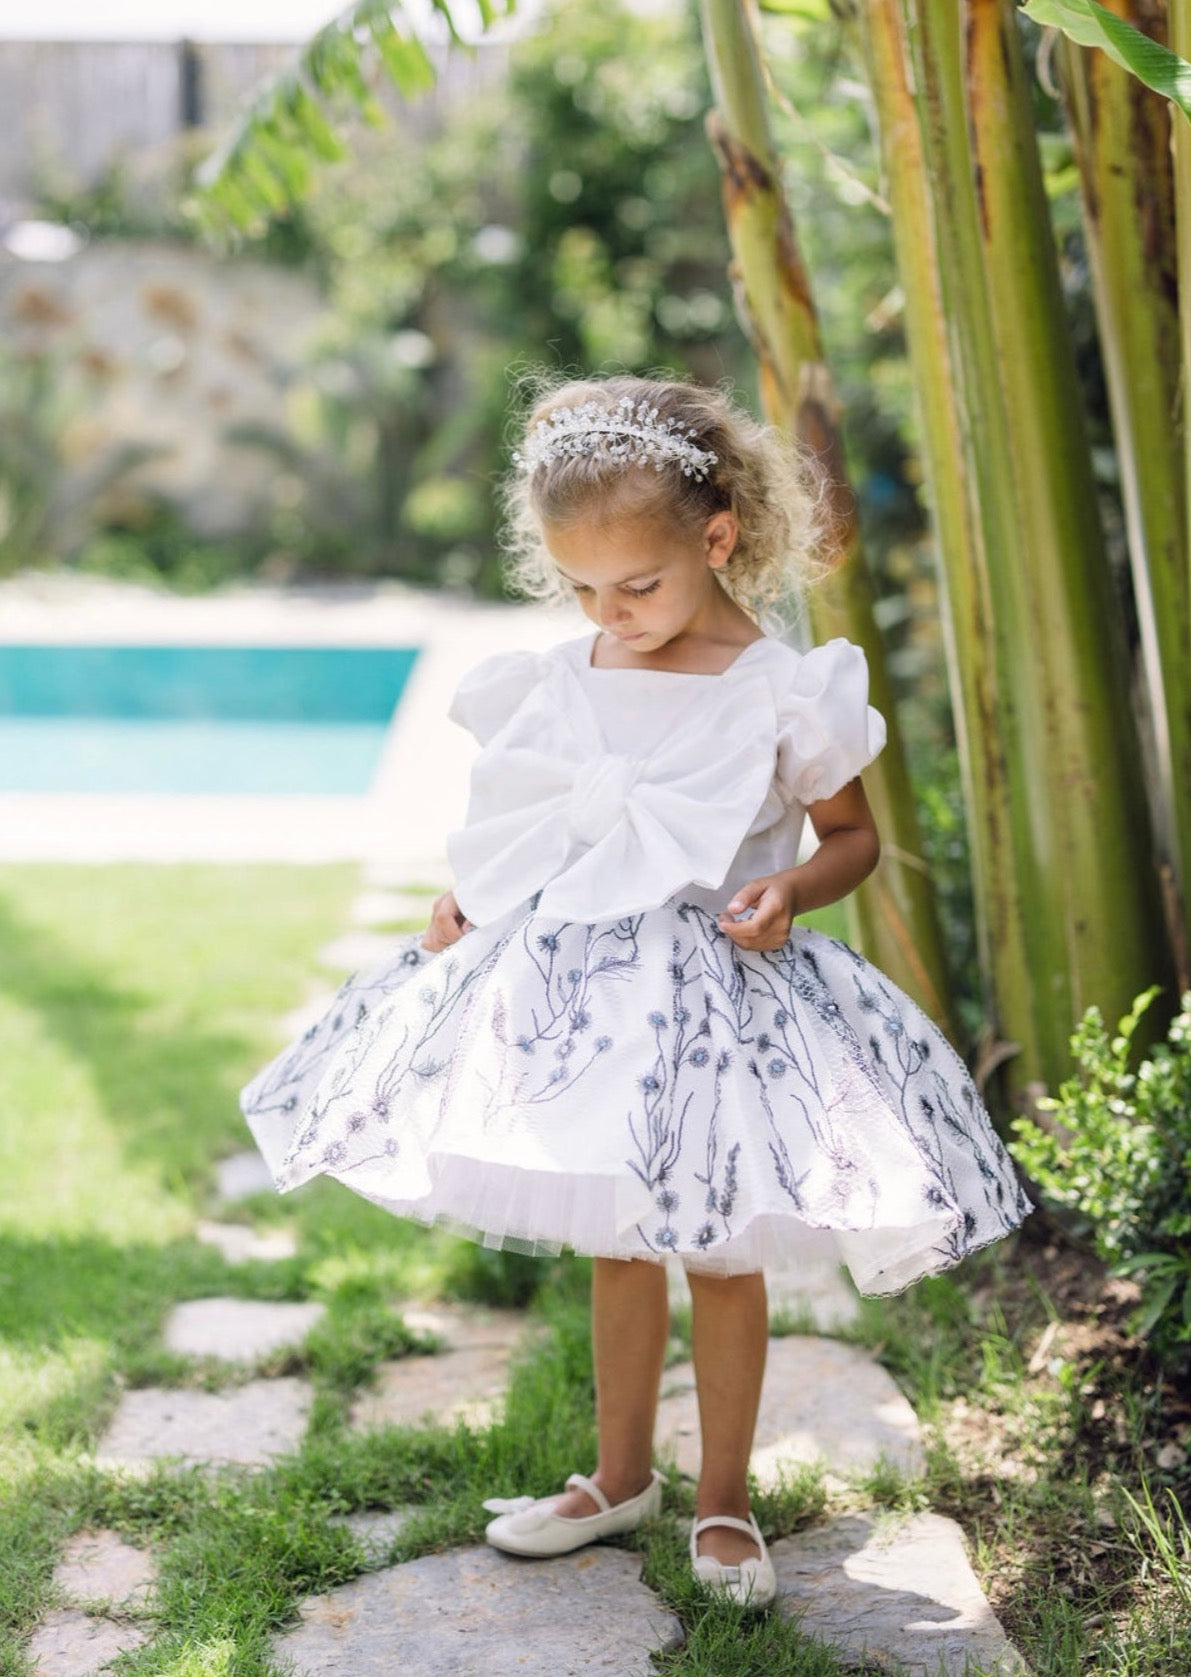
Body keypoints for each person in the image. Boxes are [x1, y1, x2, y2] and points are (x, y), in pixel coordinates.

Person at [241, 373, 1030, 1610]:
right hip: (588, 1000)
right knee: (618, 1243)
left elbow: (850, 836)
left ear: (716, 540)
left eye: (638, 585)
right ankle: (618, 1478)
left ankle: (722, 1499)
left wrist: (794, 892)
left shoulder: (779, 686)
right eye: (583, 589)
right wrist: (473, 904)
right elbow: (536, 828)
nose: (611, 610)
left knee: (716, 1247)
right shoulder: (564, 675)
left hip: (722, 997)